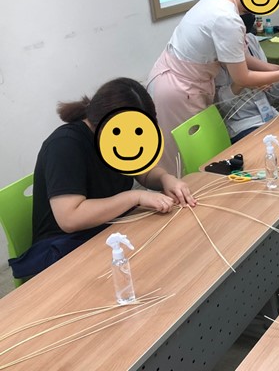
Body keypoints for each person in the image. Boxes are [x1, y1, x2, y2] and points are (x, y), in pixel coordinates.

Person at [8, 78, 197, 280]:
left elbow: (143, 171)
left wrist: (165, 179)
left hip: (109, 232)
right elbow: (70, 218)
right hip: (67, 251)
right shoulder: (65, 145)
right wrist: (135, 197)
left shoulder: (119, 138)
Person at [147, 0, 279, 176]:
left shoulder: (217, 1)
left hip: (180, 83)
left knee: (195, 162)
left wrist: (278, 70)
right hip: (178, 91)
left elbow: (240, 58)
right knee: (185, 167)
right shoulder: (227, 19)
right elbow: (242, 78)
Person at [214, 13, 279, 142]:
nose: (245, 40)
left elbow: (272, 96)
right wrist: (243, 82)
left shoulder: (251, 41)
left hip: (269, 116)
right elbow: (222, 108)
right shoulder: (218, 55)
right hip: (243, 125)